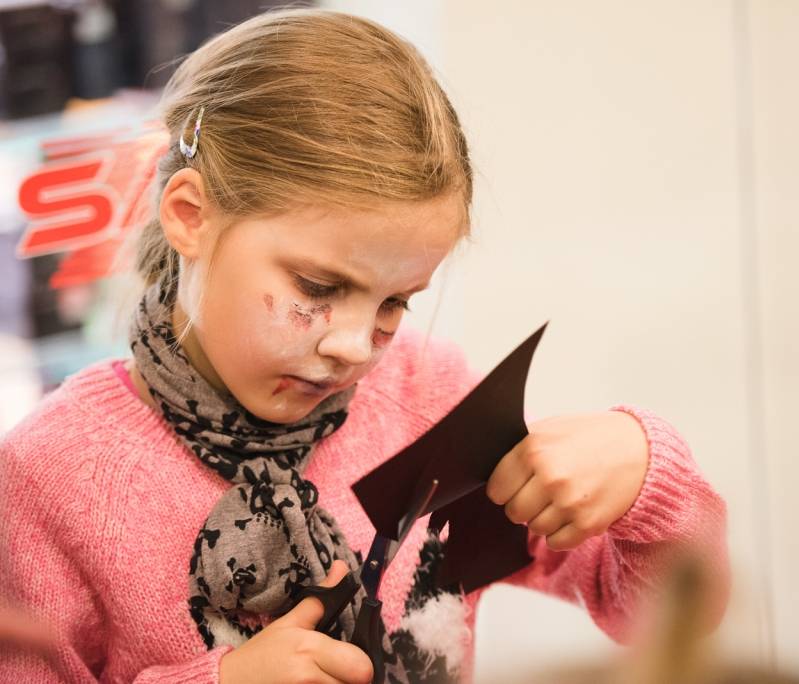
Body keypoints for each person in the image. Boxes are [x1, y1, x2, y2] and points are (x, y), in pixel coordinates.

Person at [0, 9, 729, 683]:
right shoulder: (50, 477)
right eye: (317, 286)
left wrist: (645, 478)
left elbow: (657, 616)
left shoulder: (427, 397)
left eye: (394, 303)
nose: (354, 346)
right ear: (190, 215)